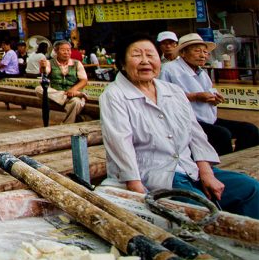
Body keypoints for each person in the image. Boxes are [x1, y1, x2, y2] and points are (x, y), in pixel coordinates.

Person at [100, 33, 259, 219]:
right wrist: (136, 188)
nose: (145, 61)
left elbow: (195, 133)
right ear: (122, 63)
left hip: (190, 169)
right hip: (154, 176)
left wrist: (207, 173)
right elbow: (120, 143)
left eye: (150, 55)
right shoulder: (114, 95)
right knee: (205, 212)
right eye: (137, 55)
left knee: (251, 189)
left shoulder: (173, 91)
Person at [160, 33, 259, 155]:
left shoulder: (202, 72)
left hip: (208, 119)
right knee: (222, 134)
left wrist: (215, 98)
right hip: (186, 122)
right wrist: (195, 96)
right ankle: (221, 167)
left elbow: (209, 93)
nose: (203, 56)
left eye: (205, 52)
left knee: (250, 130)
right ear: (183, 53)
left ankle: (239, 161)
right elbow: (161, 97)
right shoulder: (169, 69)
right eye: (197, 51)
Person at [35, 40, 88, 124]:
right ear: (56, 51)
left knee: (76, 102)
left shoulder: (77, 63)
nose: (66, 52)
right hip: (57, 93)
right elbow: (45, 72)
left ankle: (67, 125)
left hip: (72, 94)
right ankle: (65, 96)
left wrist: (74, 90)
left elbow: (84, 80)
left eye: (68, 50)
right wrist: (43, 67)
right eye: (63, 50)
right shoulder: (50, 62)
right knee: (39, 89)